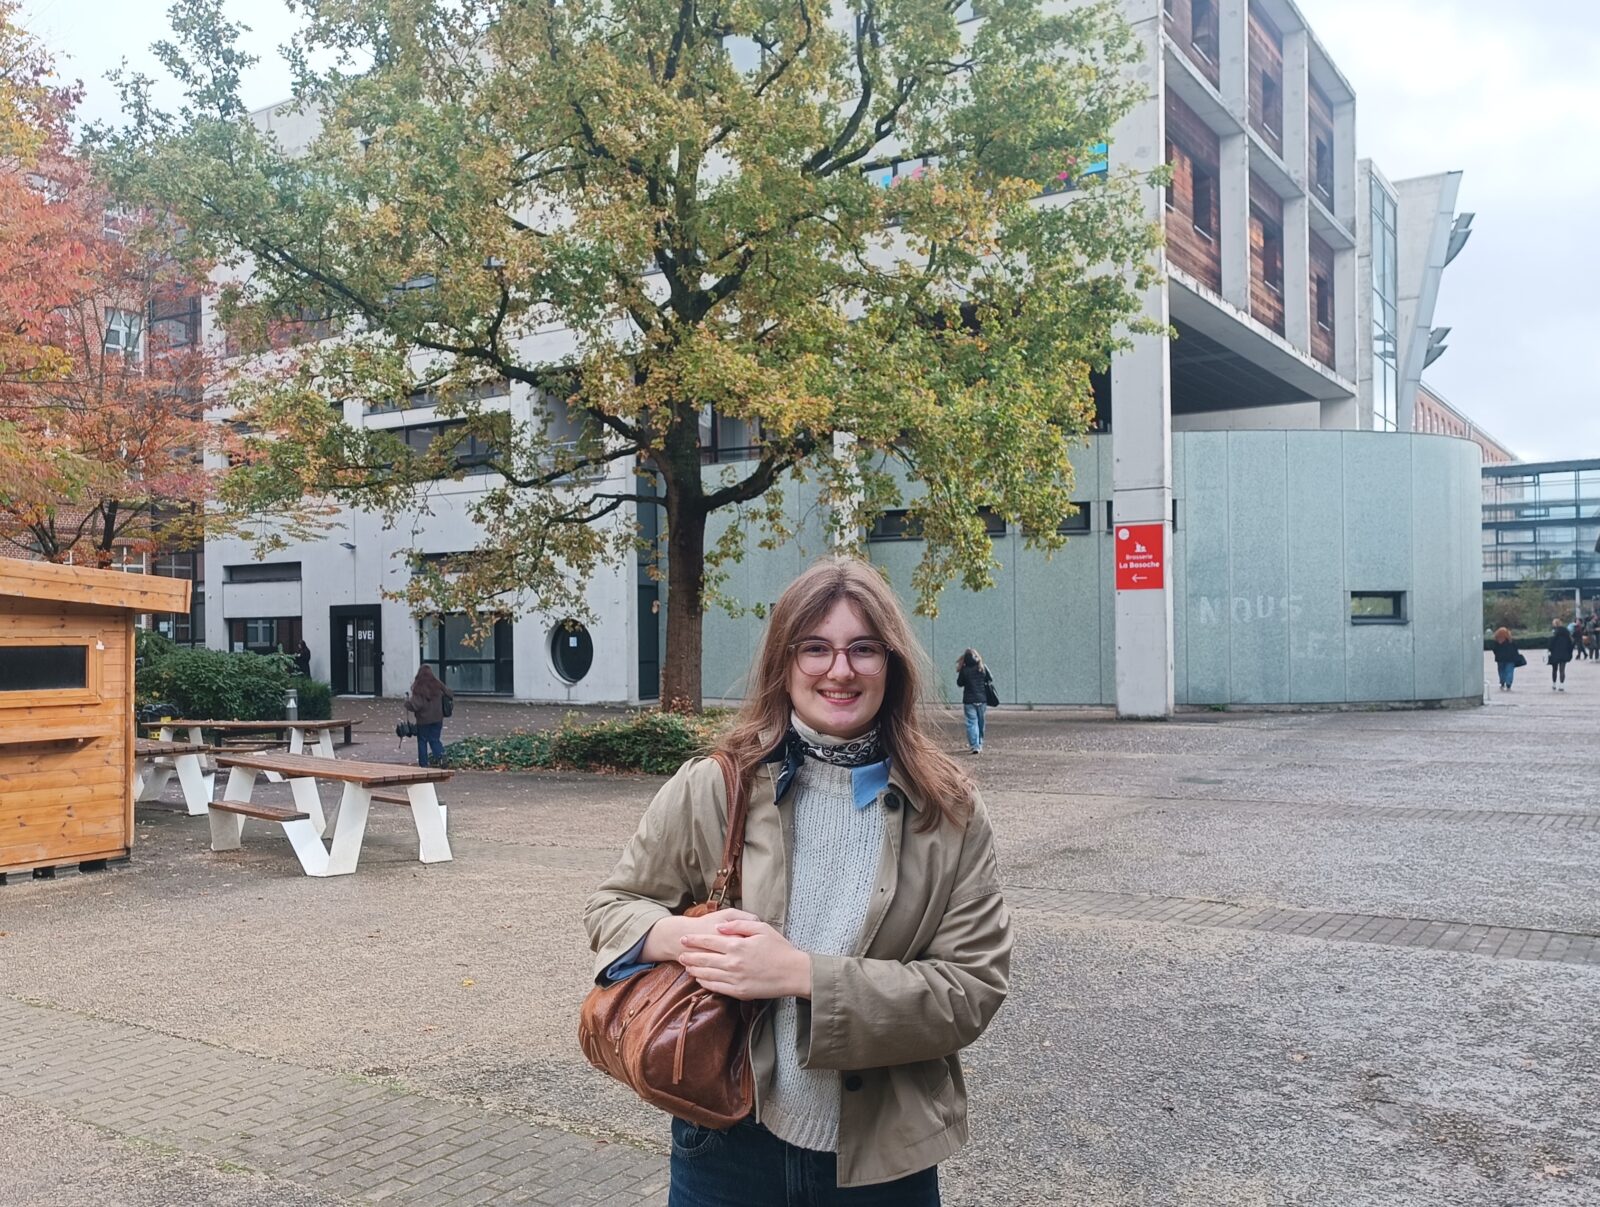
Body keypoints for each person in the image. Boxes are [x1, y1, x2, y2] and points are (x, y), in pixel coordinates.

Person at [585, 557, 1012, 1205]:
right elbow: (612, 905)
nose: (839, 669)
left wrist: (802, 974)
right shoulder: (716, 785)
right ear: (783, 663)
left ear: (891, 663)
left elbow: (972, 987)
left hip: (885, 1159)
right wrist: (685, 936)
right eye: (815, 647)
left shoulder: (947, 809)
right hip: (727, 1141)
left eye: (863, 648)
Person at [404, 665, 453, 766]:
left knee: (422, 741)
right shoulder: (437, 684)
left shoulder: (419, 687)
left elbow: (416, 705)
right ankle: (441, 755)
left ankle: (423, 764)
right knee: (435, 739)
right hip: (437, 718)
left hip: (423, 720)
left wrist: (407, 703)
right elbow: (449, 694)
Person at [955, 648, 994, 754]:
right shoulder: (982, 667)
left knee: (972, 723)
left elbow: (959, 683)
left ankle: (974, 745)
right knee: (981, 722)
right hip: (982, 699)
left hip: (969, 701)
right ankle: (980, 743)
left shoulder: (964, 670)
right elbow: (990, 678)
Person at [1548, 619, 1575, 692]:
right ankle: (1562, 685)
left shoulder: (1555, 632)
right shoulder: (1566, 632)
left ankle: (1554, 684)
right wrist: (1569, 651)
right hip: (1564, 653)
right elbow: (1571, 642)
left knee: (1554, 669)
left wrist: (1549, 650)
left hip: (1555, 653)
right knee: (1562, 670)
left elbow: (1551, 642)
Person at [1491, 627, 1519, 691]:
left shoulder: (1496, 642)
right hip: (1510, 659)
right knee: (1509, 671)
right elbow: (1515, 649)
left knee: (1501, 671)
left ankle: (1502, 682)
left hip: (1500, 659)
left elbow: (1494, 649)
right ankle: (1508, 683)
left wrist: (1497, 655)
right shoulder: (1511, 641)